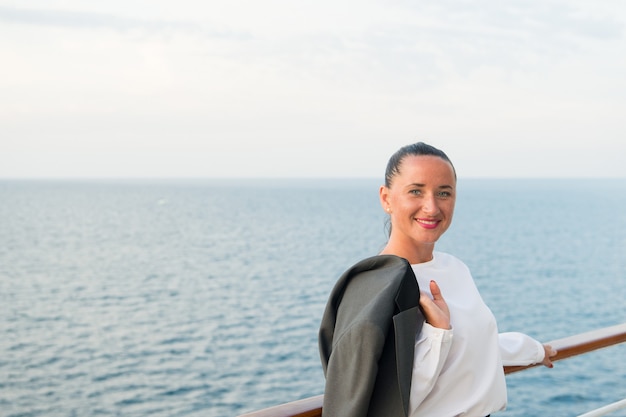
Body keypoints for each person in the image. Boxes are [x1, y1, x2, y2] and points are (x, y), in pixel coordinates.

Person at [319, 142, 557, 417]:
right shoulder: (376, 286)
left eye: (444, 193)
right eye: (416, 191)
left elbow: (475, 344)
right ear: (386, 198)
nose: (431, 207)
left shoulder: (454, 268)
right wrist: (438, 332)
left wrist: (535, 351)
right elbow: (385, 401)